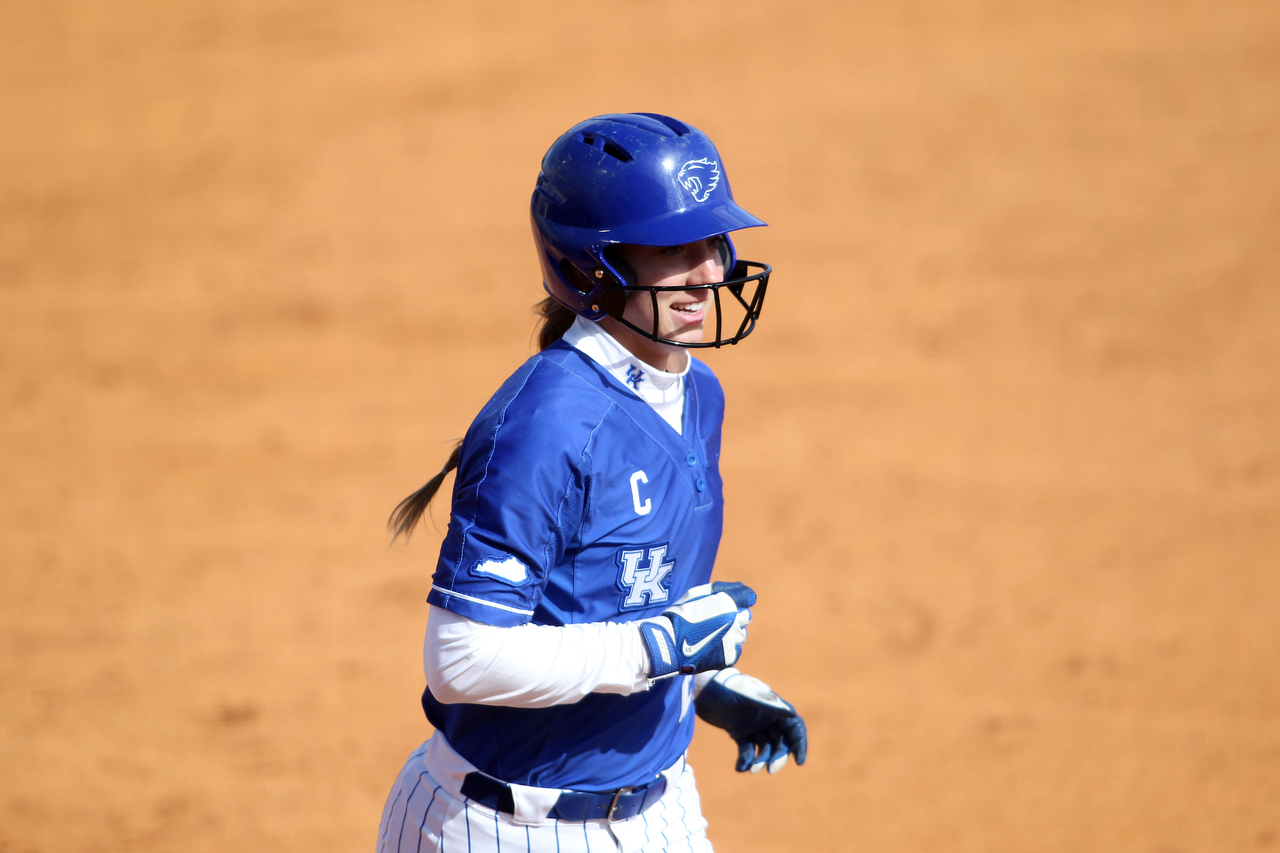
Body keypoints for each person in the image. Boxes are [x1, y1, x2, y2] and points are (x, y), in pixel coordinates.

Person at [377, 113, 807, 853]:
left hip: (662, 807)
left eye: (712, 242)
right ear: (592, 266)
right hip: (506, 827)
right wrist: (659, 649)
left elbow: (623, 597)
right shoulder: (546, 430)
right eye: (674, 249)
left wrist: (701, 683)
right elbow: (460, 661)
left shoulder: (699, 395)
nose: (709, 272)